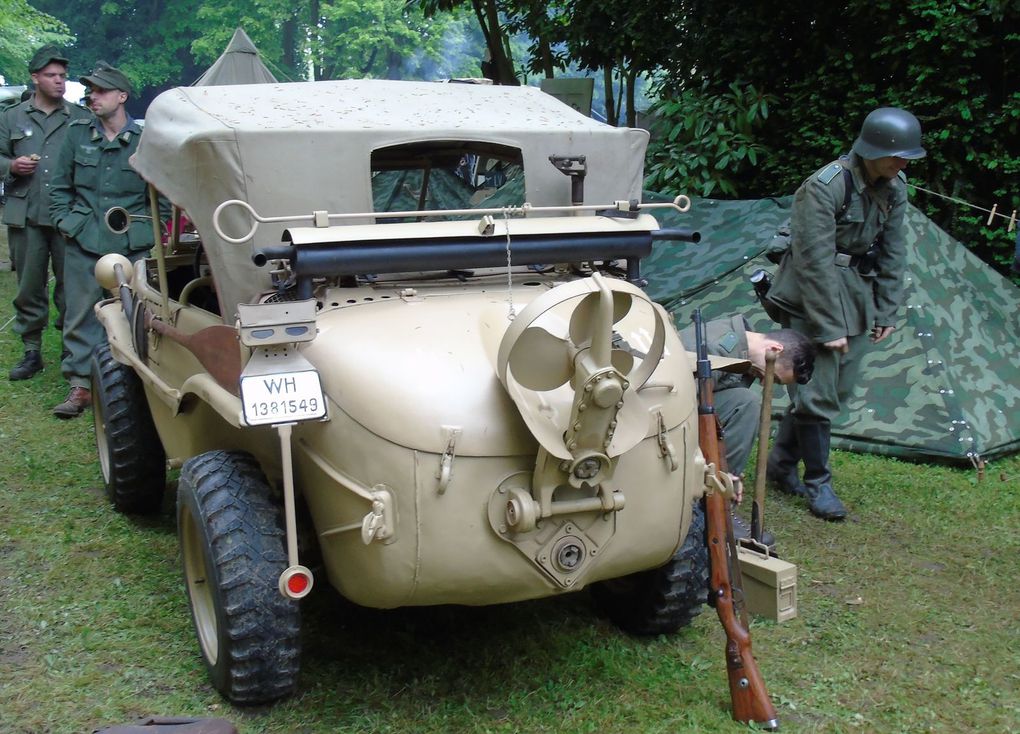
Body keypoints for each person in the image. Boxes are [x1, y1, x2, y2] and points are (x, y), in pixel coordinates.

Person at [765, 107, 926, 520]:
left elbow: (893, 251)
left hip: (856, 293)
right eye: (897, 156)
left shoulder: (895, 186)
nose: (903, 163)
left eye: (908, 157)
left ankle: (780, 465)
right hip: (808, 296)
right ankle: (819, 484)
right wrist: (826, 326)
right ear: (871, 149)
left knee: (838, 390)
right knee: (817, 393)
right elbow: (812, 260)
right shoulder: (825, 186)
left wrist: (886, 308)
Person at [48, 62, 156, 418]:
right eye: (90, 91)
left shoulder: (144, 141)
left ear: (121, 96)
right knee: (80, 314)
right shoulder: (77, 134)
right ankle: (80, 384)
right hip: (84, 240)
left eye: (100, 91)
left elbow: (162, 197)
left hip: (132, 244)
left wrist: (154, 236)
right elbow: (59, 187)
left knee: (137, 314)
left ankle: (137, 382)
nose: (91, 97)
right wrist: (67, 223)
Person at [680, 315, 816, 542]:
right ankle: (710, 501)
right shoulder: (718, 349)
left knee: (742, 401)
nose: (765, 383)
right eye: (773, 377)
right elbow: (675, 406)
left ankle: (718, 491)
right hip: (657, 417)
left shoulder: (744, 351)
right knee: (746, 403)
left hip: (680, 410)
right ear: (774, 348)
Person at [1, 46, 90, 381]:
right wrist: (12, 165)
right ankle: (31, 351)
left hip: (68, 217)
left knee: (74, 287)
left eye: (63, 76)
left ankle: (74, 350)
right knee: (28, 286)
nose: (59, 82)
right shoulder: (11, 117)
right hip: (26, 215)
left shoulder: (80, 118)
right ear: (35, 77)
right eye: (51, 76)